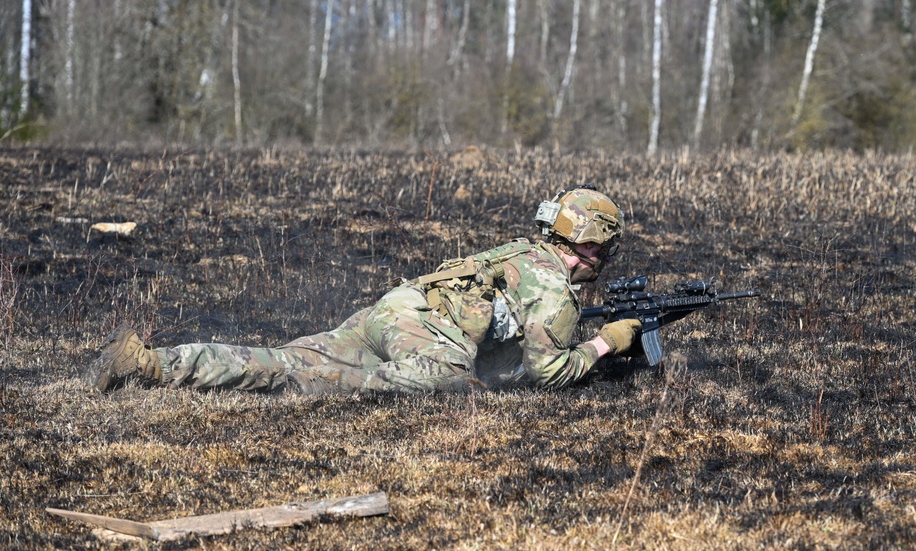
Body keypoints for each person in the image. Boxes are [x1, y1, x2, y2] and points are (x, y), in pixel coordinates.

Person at [85, 186, 643, 395]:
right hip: (423, 336)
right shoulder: (555, 289)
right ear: (595, 244)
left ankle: (151, 364)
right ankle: (357, 385)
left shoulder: (522, 253)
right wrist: (607, 343)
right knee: (453, 381)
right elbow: (548, 371)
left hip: (393, 311)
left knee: (279, 361)